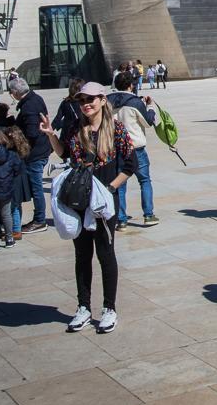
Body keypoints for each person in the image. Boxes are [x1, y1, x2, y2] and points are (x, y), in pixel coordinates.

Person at [41, 82, 137, 334]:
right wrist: (51, 135)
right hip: (79, 201)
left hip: (103, 203)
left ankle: (109, 308)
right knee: (82, 255)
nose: (86, 103)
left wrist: (111, 190)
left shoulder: (116, 130)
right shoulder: (75, 128)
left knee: (105, 254)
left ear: (103, 100)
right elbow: (64, 155)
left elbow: (130, 165)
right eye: (82, 99)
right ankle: (83, 307)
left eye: (91, 99)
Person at [108, 72, 159, 230]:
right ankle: (148, 215)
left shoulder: (107, 101)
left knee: (120, 185)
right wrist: (149, 107)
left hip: (116, 148)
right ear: (131, 85)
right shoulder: (135, 102)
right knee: (144, 180)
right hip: (136, 148)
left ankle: (121, 219)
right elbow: (148, 122)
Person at [8, 77, 51, 233]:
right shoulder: (35, 98)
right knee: (36, 186)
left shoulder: (29, 106)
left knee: (36, 187)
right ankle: (39, 218)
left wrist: (16, 136)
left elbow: (32, 133)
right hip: (40, 150)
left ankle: (40, 220)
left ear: (14, 93)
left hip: (36, 153)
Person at [0, 103, 32, 241]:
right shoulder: (14, 127)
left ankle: (13, 230)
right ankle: (16, 229)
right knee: (16, 204)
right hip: (19, 172)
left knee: (10, 205)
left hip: (8, 173)